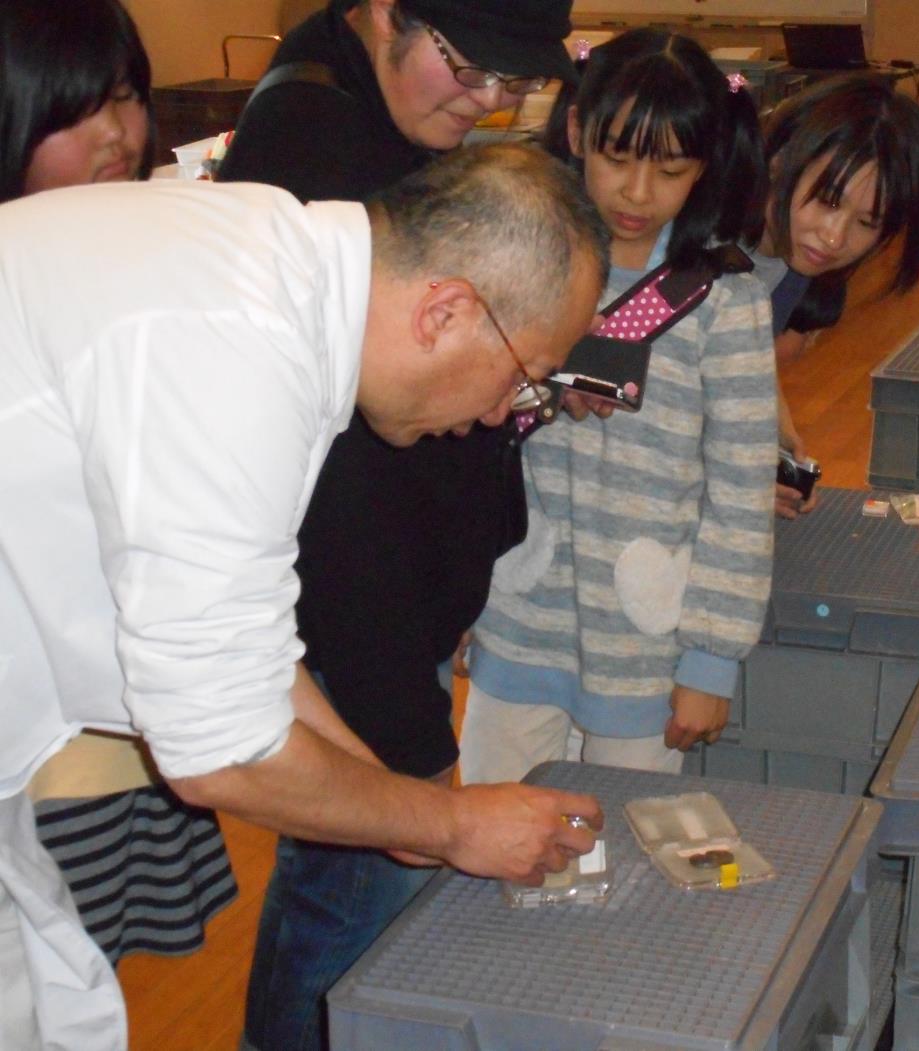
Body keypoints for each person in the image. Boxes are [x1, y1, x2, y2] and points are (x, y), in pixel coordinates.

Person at [0, 142, 608, 1051]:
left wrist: (394, 805)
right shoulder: (230, 344)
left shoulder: (270, 272)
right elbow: (217, 748)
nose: (500, 415)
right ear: (446, 310)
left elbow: (246, 653)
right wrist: (445, 824)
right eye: (523, 376)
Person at [216, 3, 579, 1048]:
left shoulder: (374, 121)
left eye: (514, 83)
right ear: (381, 10)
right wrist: (417, 768)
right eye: (466, 67)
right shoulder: (304, 167)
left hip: (375, 628)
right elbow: (335, 532)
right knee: (349, 903)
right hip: (356, 631)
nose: (487, 101)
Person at [459, 28, 776, 783]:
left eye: (670, 169)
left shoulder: (725, 302)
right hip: (517, 615)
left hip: (646, 639)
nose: (638, 192)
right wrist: (459, 601)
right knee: (491, 830)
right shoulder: (517, 259)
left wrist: (710, 661)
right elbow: (460, 443)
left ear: (704, 166)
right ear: (575, 131)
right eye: (616, 158)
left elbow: (739, 493)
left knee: (626, 849)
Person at [1, 0, 240, 966]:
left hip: (128, 728)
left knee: (90, 978)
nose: (116, 135)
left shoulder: (137, 258)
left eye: (128, 98)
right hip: (40, 751)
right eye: (75, 110)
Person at [744, 74, 919, 518]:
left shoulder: (793, 256)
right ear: (778, 162)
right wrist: (734, 480)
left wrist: (780, 432)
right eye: (828, 200)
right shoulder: (700, 258)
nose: (833, 238)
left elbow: (741, 353)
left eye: (867, 223)